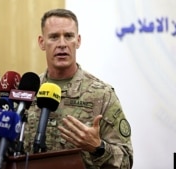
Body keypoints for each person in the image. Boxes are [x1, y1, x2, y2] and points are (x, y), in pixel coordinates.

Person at [24, 8, 133, 169]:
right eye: (54, 37)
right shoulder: (26, 92)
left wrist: (97, 147)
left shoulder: (102, 95)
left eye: (68, 36)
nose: (62, 44)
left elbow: (126, 160)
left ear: (78, 40)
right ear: (41, 42)